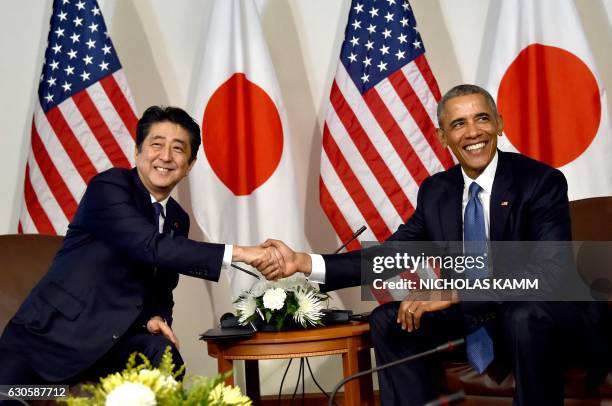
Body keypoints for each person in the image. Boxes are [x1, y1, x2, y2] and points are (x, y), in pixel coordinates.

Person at [263, 85, 607, 405]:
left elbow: (545, 276)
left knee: (524, 315)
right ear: (443, 137)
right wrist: (304, 263)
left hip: (546, 312)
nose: (473, 132)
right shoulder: (436, 192)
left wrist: (455, 292)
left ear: (500, 124)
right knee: (389, 318)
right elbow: (392, 255)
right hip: (480, 313)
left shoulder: (540, 182)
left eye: (482, 118)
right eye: (458, 124)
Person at [0, 106, 281, 387]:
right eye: (156, 145)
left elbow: (161, 288)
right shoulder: (109, 187)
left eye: (178, 149)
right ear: (137, 152)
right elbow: (149, 245)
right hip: (47, 341)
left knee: (161, 352)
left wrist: (155, 317)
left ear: (190, 165)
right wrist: (241, 253)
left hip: (112, 345)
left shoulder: (176, 219)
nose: (165, 156)